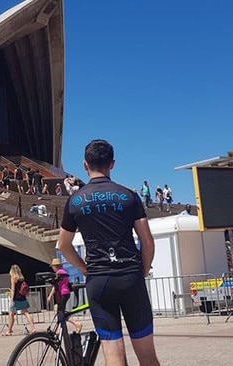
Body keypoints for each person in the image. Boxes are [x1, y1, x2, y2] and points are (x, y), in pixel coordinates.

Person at [57, 139, 160, 365]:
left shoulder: (75, 200)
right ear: (112, 164)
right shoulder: (129, 196)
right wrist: (142, 268)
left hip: (99, 280)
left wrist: (86, 269)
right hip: (130, 275)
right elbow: (148, 242)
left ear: (85, 165)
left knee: (112, 355)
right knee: (147, 355)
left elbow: (63, 245)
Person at [46, 258, 83, 333]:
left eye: (53, 266)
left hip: (62, 293)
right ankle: (61, 328)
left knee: (61, 312)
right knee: (61, 312)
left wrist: (50, 296)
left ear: (55, 266)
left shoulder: (58, 274)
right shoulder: (64, 272)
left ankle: (76, 324)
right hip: (66, 293)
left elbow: (55, 286)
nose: (52, 268)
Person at [2, 264, 35, 336]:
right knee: (26, 313)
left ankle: (9, 331)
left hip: (16, 299)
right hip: (22, 297)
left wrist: (11, 299)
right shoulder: (21, 278)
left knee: (11, 314)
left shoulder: (13, 278)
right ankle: (33, 328)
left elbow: (13, 289)